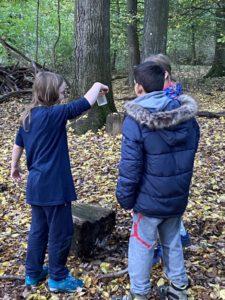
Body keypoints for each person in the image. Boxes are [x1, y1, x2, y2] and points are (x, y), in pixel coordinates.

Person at [11, 71, 109, 293]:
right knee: (61, 232)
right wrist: (96, 84)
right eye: (63, 92)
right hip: (55, 186)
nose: (65, 96)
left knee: (38, 230)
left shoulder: (28, 116)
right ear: (51, 92)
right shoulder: (52, 114)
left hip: (36, 186)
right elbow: (83, 104)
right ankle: (58, 277)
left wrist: (14, 167)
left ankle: (33, 273)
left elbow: (18, 144)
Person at [116, 61, 200, 300]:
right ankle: (178, 289)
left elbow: (130, 166)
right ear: (165, 81)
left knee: (141, 244)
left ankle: (139, 294)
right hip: (176, 194)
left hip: (147, 200)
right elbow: (191, 147)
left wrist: (124, 197)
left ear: (139, 88)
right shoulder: (186, 116)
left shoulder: (135, 120)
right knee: (172, 240)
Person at [144, 54, 191, 267]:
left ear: (163, 75)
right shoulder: (179, 99)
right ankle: (177, 237)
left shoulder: (162, 101)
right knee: (170, 207)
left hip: (163, 167)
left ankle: (164, 247)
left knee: (157, 211)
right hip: (176, 168)